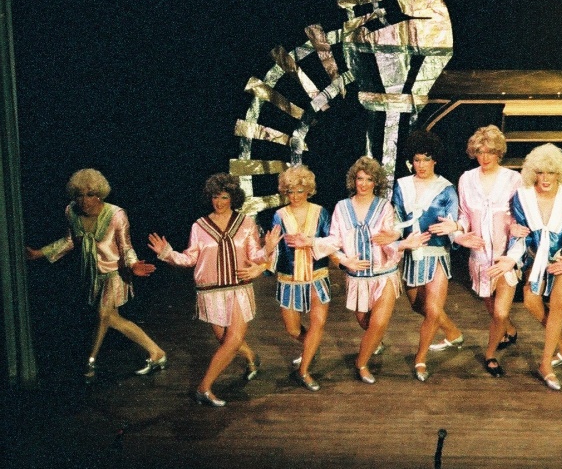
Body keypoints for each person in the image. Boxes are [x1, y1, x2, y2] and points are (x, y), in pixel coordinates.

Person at [148, 173, 280, 406]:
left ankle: (204, 388)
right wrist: (167, 253)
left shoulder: (245, 223)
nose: (219, 202)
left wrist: (267, 250)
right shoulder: (199, 226)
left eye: (224, 197)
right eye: (215, 197)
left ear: (233, 198)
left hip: (238, 288)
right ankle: (252, 357)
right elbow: (190, 259)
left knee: (234, 340)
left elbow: (255, 256)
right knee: (226, 341)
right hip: (211, 292)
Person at [26, 168, 163, 380]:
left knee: (103, 314)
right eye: (80, 195)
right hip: (92, 274)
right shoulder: (71, 212)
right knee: (112, 318)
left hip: (115, 272)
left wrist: (133, 265)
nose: (84, 200)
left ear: (99, 194)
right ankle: (157, 352)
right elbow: (70, 241)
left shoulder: (116, 215)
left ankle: (90, 362)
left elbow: (125, 247)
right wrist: (39, 253)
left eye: (90, 194)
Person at [306, 157, 426, 387]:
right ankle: (374, 343)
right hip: (357, 278)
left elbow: (387, 241)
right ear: (354, 180)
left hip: (384, 274)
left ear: (376, 182)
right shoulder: (342, 207)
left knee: (378, 324)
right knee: (365, 322)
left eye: (369, 179)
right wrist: (332, 253)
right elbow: (334, 240)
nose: (363, 183)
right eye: (360, 178)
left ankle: (361, 363)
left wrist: (402, 244)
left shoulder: (384, 207)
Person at [491, 144, 562, 391]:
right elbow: (520, 235)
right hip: (535, 259)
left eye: (551, 173)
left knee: (557, 303)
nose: (545, 178)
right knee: (531, 301)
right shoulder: (522, 196)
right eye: (540, 173)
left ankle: (546, 365)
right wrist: (511, 258)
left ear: (559, 174)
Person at [390, 130, 465, 382]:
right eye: (417, 160)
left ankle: (420, 360)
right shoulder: (402, 186)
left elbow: (454, 223)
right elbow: (397, 219)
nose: (421, 165)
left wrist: (456, 231)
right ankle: (453, 333)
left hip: (437, 254)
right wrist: (398, 240)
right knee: (418, 306)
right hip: (412, 254)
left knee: (433, 310)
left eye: (426, 159)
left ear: (435, 160)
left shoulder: (446, 189)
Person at [453, 125, 523, 378]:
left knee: (500, 312)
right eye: (480, 151)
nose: (485, 157)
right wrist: (460, 234)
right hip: (479, 258)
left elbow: (519, 216)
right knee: (493, 308)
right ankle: (509, 330)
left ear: (499, 152)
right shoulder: (466, 179)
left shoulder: (514, 179)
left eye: (490, 152)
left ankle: (490, 354)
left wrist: (515, 228)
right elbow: (463, 214)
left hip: (505, 257)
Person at [268, 165, 333, 383]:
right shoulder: (279, 215)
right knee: (293, 329)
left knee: (318, 323)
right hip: (289, 277)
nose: (295, 196)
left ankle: (303, 371)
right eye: (290, 192)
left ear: (308, 190)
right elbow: (275, 248)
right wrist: (262, 262)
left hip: (317, 275)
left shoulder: (320, 212)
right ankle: (310, 346)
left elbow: (331, 241)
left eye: (299, 191)